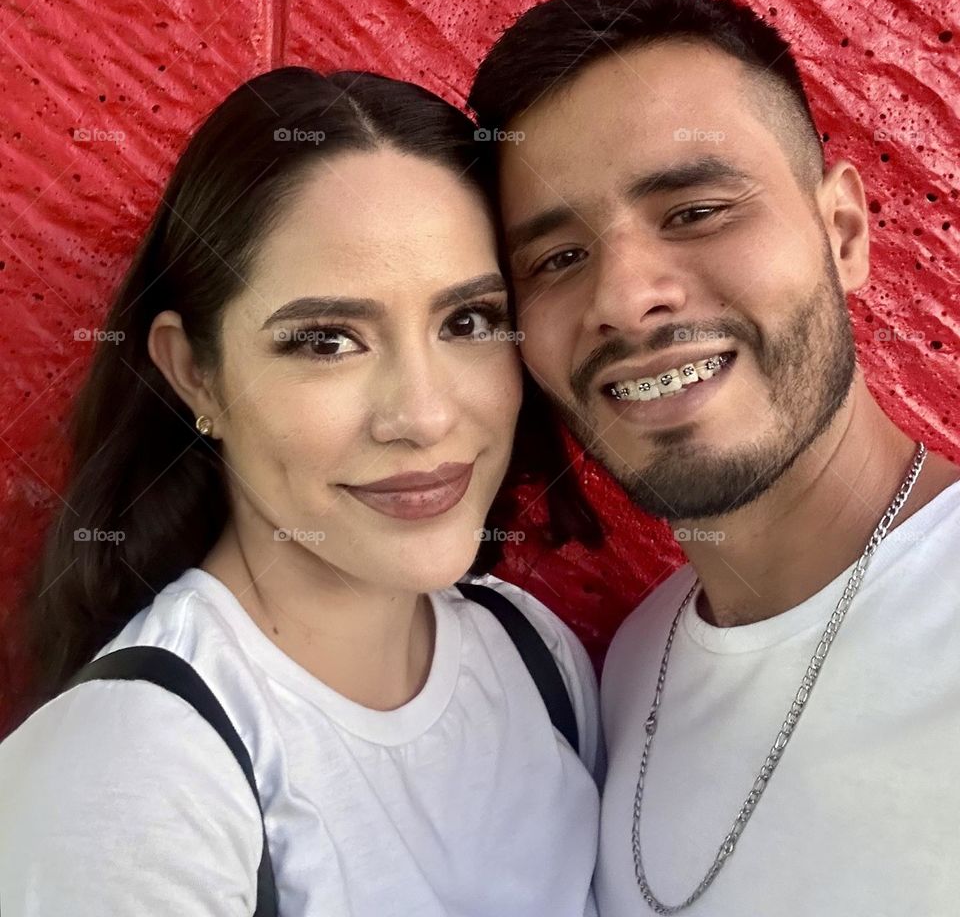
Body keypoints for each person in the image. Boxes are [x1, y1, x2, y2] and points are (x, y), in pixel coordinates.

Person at [0, 67, 604, 917]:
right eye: (326, 340)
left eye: (466, 322)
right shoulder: (132, 779)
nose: (424, 416)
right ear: (196, 375)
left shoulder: (536, 658)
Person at [468, 0, 960, 915]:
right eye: (558, 258)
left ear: (842, 232)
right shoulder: (626, 672)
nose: (623, 297)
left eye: (695, 211)